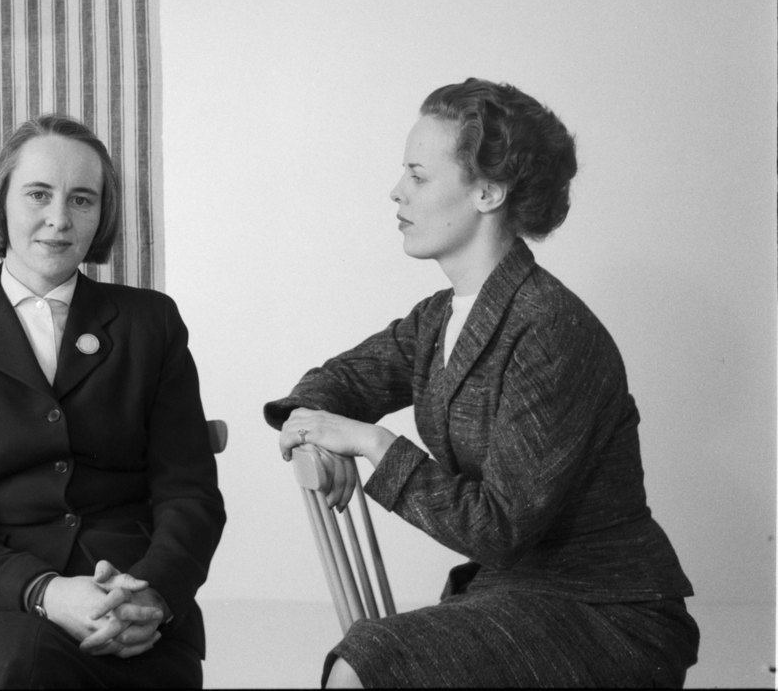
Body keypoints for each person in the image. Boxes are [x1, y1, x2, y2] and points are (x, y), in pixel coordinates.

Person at [264, 79, 699, 689]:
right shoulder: (438, 319)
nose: (396, 191)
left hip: (606, 611)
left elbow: (499, 528)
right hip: (514, 597)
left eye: (418, 175)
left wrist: (370, 444)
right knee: (370, 654)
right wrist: (315, 431)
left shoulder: (550, 329)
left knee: (367, 661)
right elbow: (335, 383)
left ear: (488, 192)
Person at [0, 114, 225, 689]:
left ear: (102, 215)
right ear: (2, 203)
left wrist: (150, 594)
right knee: (21, 668)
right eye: (38, 195)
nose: (59, 218)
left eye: (81, 199)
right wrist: (44, 591)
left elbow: (189, 493)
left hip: (131, 602)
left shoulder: (151, 322)